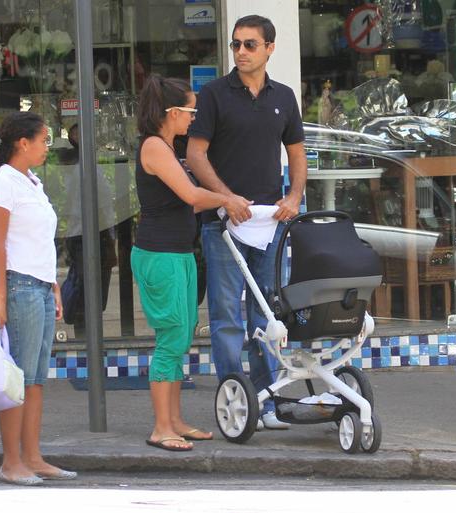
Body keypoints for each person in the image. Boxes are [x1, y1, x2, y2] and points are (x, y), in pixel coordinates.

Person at [186, 15, 307, 430]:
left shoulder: (285, 97)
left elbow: (297, 153)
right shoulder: (215, 94)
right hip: (223, 222)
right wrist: (225, 198)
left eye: (250, 45)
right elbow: (195, 155)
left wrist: (293, 197)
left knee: (267, 316)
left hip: (270, 220)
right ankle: (236, 405)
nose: (240, 52)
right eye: (236, 44)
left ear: (270, 48)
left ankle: (267, 403)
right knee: (225, 317)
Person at [133, 74, 250, 451]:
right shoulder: (153, 147)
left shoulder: (169, 147)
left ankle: (175, 420)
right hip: (159, 254)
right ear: (171, 112)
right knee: (170, 339)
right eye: (189, 111)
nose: (193, 119)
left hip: (179, 254)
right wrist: (227, 200)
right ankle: (160, 427)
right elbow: (191, 196)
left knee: (180, 338)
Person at [0, 111, 77, 485]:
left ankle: (33, 457)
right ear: (23, 143)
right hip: (18, 287)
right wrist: (0, 299)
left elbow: (37, 241)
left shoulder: (31, 181)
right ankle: (11, 462)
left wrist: (52, 284)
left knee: (35, 379)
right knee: (16, 379)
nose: (47, 147)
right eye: (43, 140)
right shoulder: (4, 183)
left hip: (36, 285)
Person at [59, 123, 117, 339]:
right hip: (90, 235)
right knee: (88, 290)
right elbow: (100, 206)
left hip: (85, 233)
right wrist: (110, 238)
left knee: (86, 288)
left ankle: (86, 335)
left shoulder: (79, 167)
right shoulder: (84, 168)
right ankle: (86, 338)